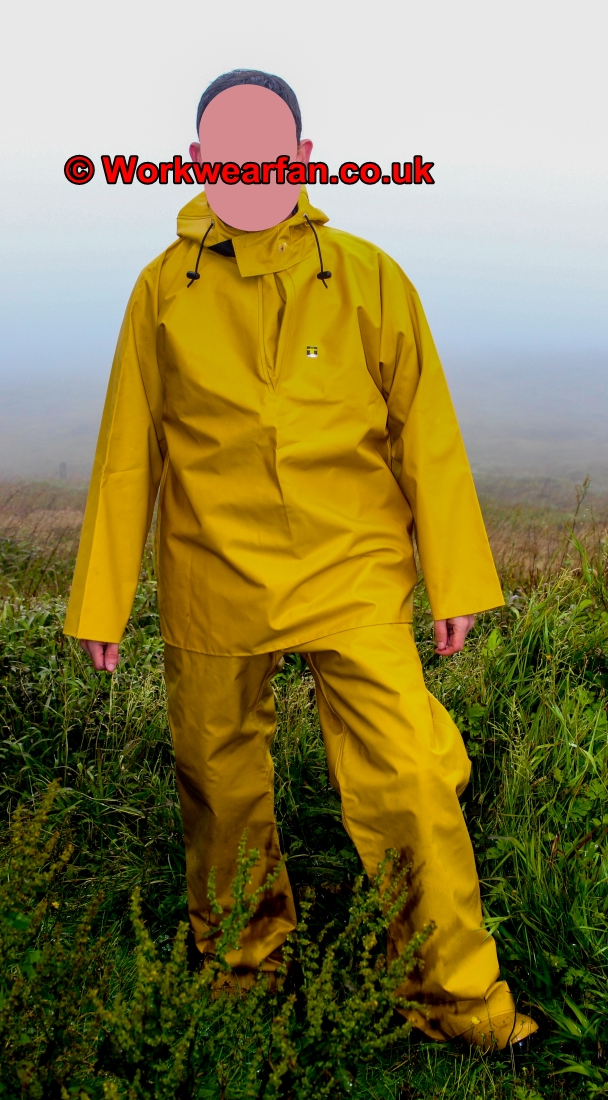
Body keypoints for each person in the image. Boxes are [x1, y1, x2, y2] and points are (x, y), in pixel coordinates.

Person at [64, 68, 537, 1050]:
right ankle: (242, 977)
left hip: (353, 568)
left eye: (267, 150)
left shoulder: (368, 275)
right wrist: (101, 601)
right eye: (227, 152)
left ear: (303, 157)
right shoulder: (161, 289)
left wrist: (452, 579)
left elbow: (426, 432)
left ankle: (459, 1006)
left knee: (408, 777)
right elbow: (127, 450)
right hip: (211, 572)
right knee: (218, 784)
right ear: (197, 162)